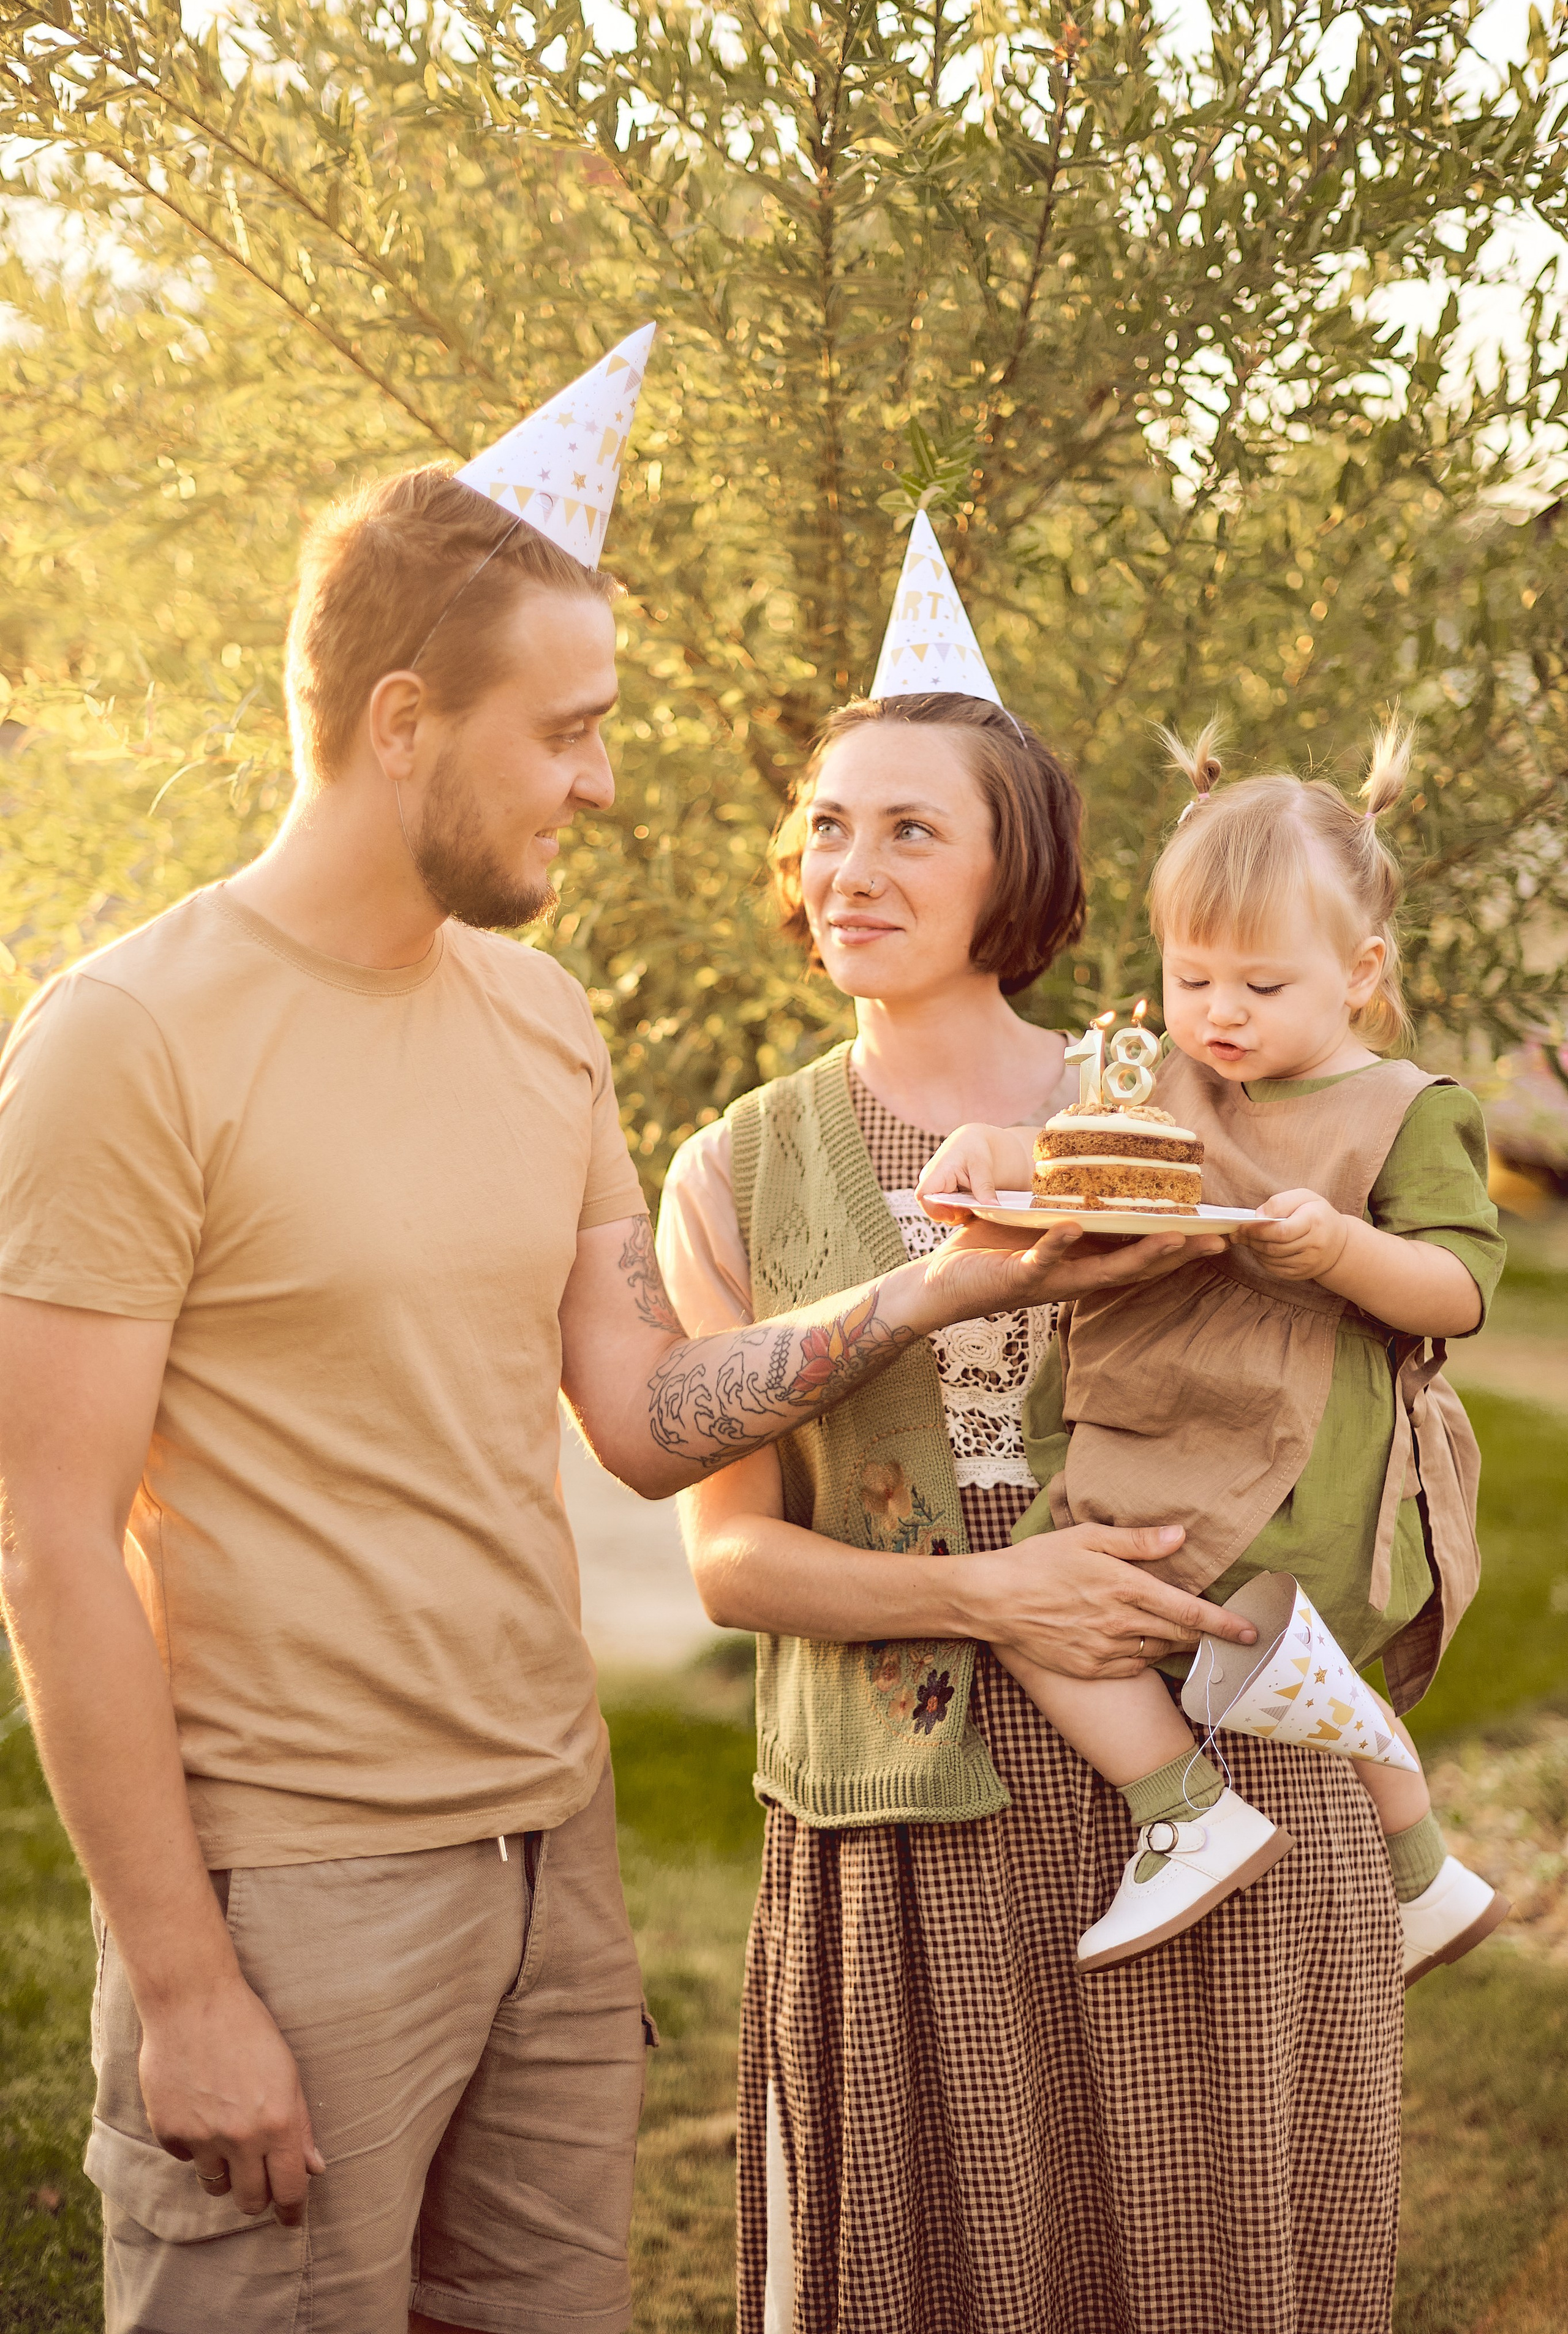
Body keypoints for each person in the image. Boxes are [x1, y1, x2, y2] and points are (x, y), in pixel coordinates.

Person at [0, 410, 1204, 2332]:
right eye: (565, 733)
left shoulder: (544, 1020)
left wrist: (926, 1295)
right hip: (296, 1885)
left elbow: (645, 1419)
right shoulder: (128, 1042)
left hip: (549, 1861)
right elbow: (52, 1544)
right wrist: (191, 1986)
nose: (607, 782)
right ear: (404, 723)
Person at [656, 515, 1404, 2334]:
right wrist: (999, 1599)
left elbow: (1334, 1403)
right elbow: (734, 1561)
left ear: (1019, 870)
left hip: (1213, 1775)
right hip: (909, 1825)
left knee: (1205, 2265)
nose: (854, 866)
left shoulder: (1174, 1106)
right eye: (829, 824)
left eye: (914, 827)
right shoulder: (738, 1171)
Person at [924, 719, 1508, 1978]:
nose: (1218, 1014)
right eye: (1191, 980)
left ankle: (1182, 1815)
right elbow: (1099, 1156)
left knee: (1045, 1603)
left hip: (1285, 1445)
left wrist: (1339, 1251)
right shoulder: (1173, 1085)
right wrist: (1000, 1157)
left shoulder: (1402, 1109)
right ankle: (1419, 1877)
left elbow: (1457, 1288)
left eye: (1259, 985)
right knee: (1279, 1654)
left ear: (1358, 973)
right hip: (1164, 1405)